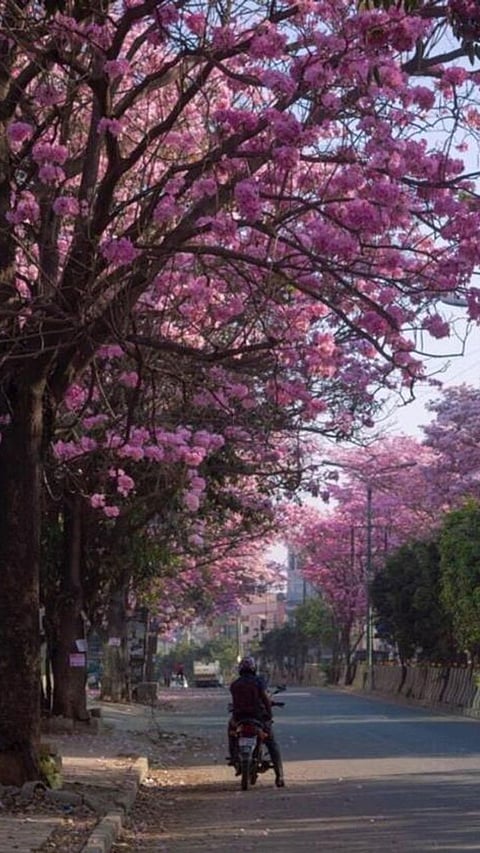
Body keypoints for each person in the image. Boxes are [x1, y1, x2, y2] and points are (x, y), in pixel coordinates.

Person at [228, 656, 284, 787]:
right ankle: (279, 776)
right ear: (254, 669)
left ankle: (234, 757)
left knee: (232, 734)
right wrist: (269, 716)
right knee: (272, 744)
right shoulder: (259, 682)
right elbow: (265, 699)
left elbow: (235, 702)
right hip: (257, 718)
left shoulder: (235, 685)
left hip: (239, 719)